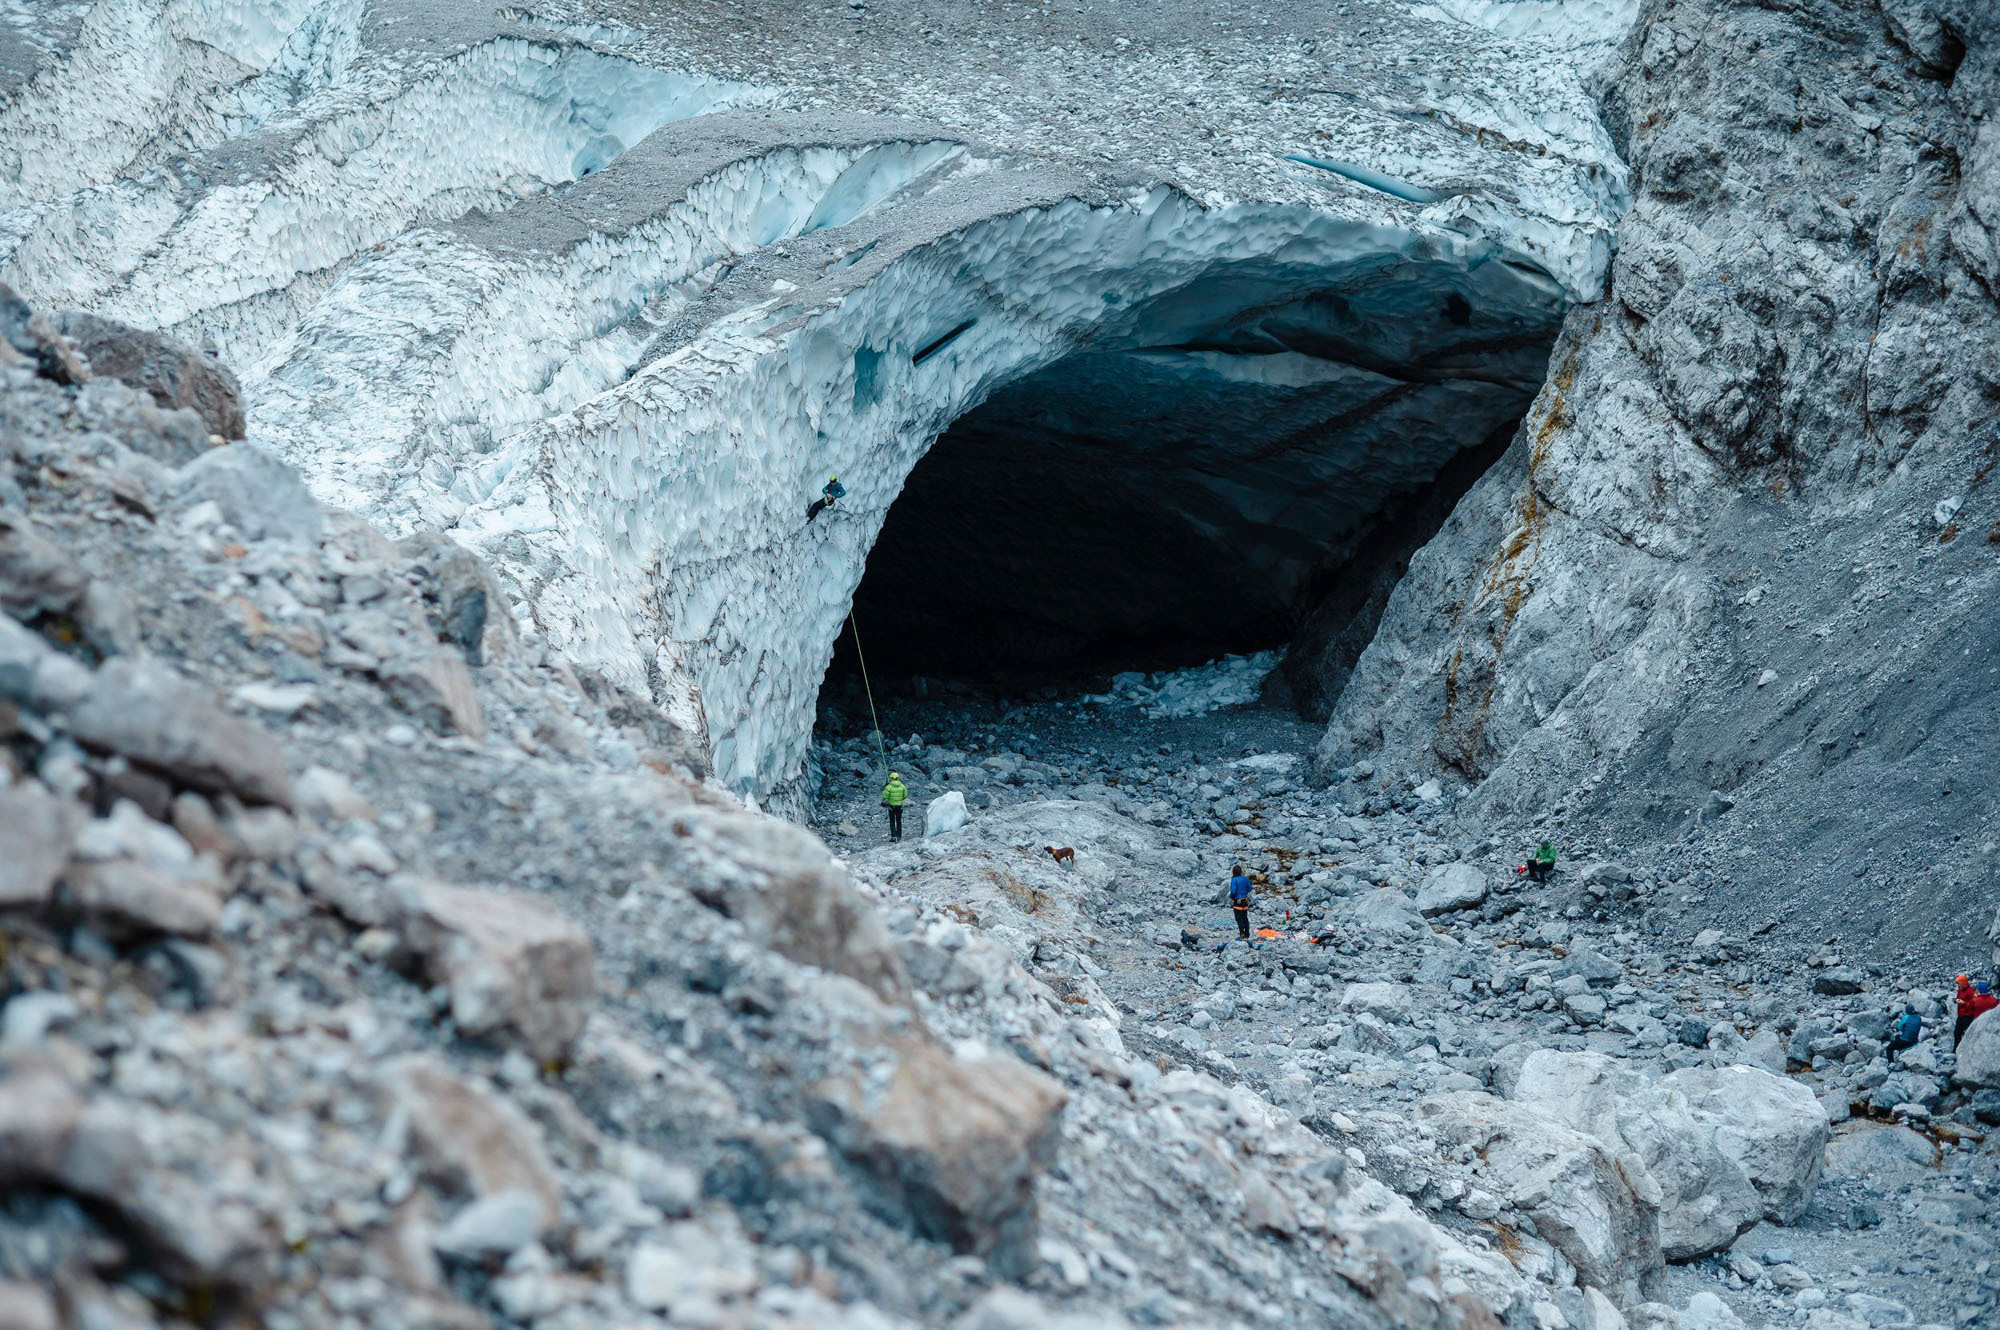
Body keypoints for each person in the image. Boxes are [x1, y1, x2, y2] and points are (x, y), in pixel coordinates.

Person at [1965, 980, 2000, 1047]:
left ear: (1979, 989)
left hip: (1977, 1025)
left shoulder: (1974, 1001)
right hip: (1990, 1026)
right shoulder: (1994, 1000)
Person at [880, 770, 907, 842]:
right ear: (898, 778)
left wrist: (885, 789)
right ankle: (899, 837)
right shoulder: (902, 786)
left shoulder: (888, 787)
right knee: (899, 821)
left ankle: (894, 836)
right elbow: (905, 796)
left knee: (892, 821)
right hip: (899, 806)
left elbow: (885, 796)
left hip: (891, 806)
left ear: (891, 778)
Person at [1229, 864, 1252, 940]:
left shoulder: (1234, 880)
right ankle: (1247, 933)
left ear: (1233, 872)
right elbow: (1249, 889)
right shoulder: (1245, 879)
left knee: (1239, 918)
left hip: (1237, 901)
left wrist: (1232, 897)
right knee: (1245, 917)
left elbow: (1233, 891)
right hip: (1245, 901)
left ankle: (1242, 933)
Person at [1955, 975, 1978, 1047]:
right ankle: (1956, 1048)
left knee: (1968, 1033)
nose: (1958, 985)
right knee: (1957, 1033)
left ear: (1963, 983)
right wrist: (1955, 1000)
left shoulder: (1971, 992)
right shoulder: (1960, 990)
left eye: (1959, 983)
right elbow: (1957, 997)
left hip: (1968, 1016)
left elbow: (1973, 1004)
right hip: (1961, 1015)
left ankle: (1968, 1049)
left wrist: (1964, 1003)